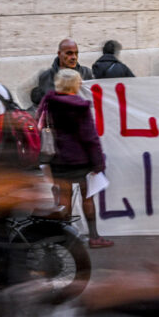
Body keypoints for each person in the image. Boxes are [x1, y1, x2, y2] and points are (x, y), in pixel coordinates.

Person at [37, 69, 113, 249]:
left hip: (56, 159)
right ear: (74, 84)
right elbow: (90, 137)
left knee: (64, 197)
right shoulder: (80, 106)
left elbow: (38, 122)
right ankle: (94, 237)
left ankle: (65, 237)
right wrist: (98, 163)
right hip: (80, 161)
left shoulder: (48, 102)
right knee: (87, 198)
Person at [30, 38, 94, 107]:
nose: (74, 57)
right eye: (69, 53)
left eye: (76, 53)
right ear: (59, 54)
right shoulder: (45, 76)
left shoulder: (87, 73)